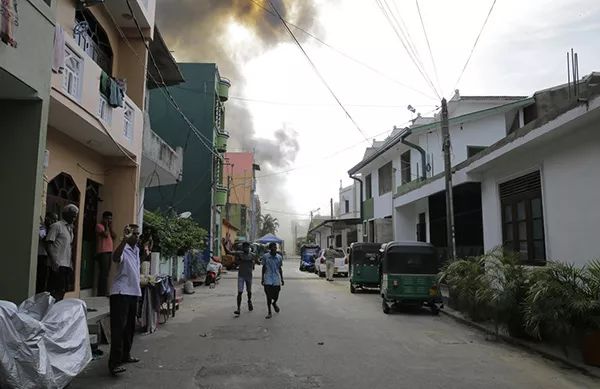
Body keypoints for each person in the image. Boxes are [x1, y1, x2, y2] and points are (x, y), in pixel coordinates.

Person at [108, 224, 142, 376]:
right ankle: (114, 363)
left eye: (138, 234)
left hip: (133, 292)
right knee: (118, 329)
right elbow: (115, 258)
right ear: (128, 235)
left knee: (129, 327)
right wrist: (123, 240)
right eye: (134, 234)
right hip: (121, 293)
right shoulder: (123, 248)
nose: (137, 237)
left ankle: (125, 355)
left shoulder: (137, 250)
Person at [46, 204, 79, 301]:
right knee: (54, 290)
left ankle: (57, 309)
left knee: (63, 289)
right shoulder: (57, 226)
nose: (74, 218)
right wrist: (53, 261)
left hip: (66, 264)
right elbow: (49, 244)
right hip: (57, 263)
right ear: (65, 214)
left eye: (75, 215)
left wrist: (71, 263)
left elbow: (69, 247)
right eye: (72, 215)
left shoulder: (70, 228)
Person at [96, 211, 117, 296]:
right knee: (103, 273)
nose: (109, 220)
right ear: (104, 218)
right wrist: (107, 226)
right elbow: (105, 234)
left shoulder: (109, 227)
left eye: (111, 219)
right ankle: (101, 292)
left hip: (109, 251)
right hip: (102, 251)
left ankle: (104, 291)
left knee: (106, 272)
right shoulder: (99, 226)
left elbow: (114, 236)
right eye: (108, 218)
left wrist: (110, 227)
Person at [36, 212, 58, 293]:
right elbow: (45, 239)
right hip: (41, 255)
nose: (54, 222)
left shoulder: (51, 229)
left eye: (56, 220)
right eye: (53, 219)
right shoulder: (42, 227)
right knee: (40, 279)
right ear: (47, 218)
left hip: (47, 257)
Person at [261, 242, 284, 319]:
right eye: (273, 248)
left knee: (276, 294)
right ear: (270, 249)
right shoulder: (265, 257)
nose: (275, 249)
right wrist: (262, 278)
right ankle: (269, 312)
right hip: (268, 278)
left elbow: (280, 268)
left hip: (276, 278)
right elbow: (263, 267)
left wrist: (282, 279)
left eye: (275, 248)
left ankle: (274, 303)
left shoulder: (279, 257)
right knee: (268, 295)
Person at [234, 242, 255, 316]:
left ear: (249, 247)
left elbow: (259, 262)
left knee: (249, 291)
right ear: (242, 248)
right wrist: (224, 245)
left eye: (247, 247)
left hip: (249, 275)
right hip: (241, 275)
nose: (246, 248)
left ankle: (249, 301)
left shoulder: (252, 255)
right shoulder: (240, 254)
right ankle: (238, 308)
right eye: (244, 247)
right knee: (240, 292)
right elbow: (229, 252)